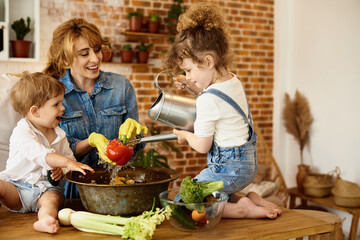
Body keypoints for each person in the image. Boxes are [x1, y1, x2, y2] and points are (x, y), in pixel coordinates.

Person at [163, 4, 282, 219]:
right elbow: (215, 97)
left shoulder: (208, 100)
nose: (188, 76)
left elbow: (202, 145)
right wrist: (192, 85)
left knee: (186, 200)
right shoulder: (233, 81)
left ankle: (242, 210)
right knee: (216, 193)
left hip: (229, 170)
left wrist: (184, 136)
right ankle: (252, 198)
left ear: (208, 61)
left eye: (189, 70)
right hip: (247, 167)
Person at [43, 18, 146, 198]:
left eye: (97, 50)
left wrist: (132, 139)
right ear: (66, 59)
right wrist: (90, 142)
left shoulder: (121, 86)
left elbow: (133, 149)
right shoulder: (52, 94)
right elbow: (50, 151)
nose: (95, 58)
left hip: (113, 186)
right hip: (68, 192)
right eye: (84, 53)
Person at [0, 72, 94, 234]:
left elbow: (68, 160)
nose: (62, 108)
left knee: (53, 200)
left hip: (46, 190)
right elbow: (41, 155)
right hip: (17, 187)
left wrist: (63, 168)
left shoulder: (60, 135)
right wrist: (66, 163)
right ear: (35, 112)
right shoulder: (22, 131)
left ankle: (45, 220)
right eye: (56, 104)